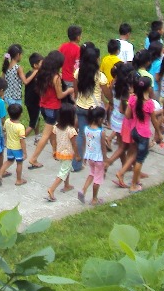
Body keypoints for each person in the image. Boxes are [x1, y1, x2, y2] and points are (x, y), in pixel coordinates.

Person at [26, 50, 68, 168]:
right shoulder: (56, 77)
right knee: (46, 134)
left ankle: (55, 151)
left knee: (51, 131)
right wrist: (69, 91)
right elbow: (59, 95)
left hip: (43, 106)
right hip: (53, 108)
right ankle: (33, 158)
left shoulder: (42, 74)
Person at [128, 75, 161, 193]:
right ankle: (133, 185)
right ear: (149, 88)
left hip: (134, 130)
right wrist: (159, 133)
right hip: (143, 134)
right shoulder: (149, 103)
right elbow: (154, 121)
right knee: (140, 160)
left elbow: (127, 115)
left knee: (137, 155)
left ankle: (136, 180)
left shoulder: (133, 99)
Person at [71, 43, 101, 172]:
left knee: (81, 135)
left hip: (80, 106)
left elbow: (76, 90)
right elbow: (106, 93)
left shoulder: (78, 72)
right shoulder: (99, 76)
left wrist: (76, 100)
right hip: (94, 110)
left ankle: (76, 164)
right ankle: (95, 162)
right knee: (96, 134)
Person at [45, 103, 79, 202]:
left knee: (66, 168)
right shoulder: (71, 130)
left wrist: (54, 150)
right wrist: (77, 155)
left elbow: (53, 139)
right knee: (63, 172)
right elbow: (74, 144)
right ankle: (51, 189)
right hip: (67, 154)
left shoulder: (56, 127)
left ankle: (66, 185)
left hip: (60, 152)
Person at [77, 105, 107, 206]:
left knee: (92, 174)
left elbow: (86, 143)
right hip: (99, 159)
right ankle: (94, 199)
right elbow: (103, 147)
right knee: (98, 179)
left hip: (90, 157)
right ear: (100, 119)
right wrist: (106, 159)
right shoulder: (101, 132)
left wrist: (85, 156)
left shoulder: (86, 129)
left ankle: (83, 190)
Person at [0, 103, 27, 185]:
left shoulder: (7, 121)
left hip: (9, 146)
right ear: (21, 115)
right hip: (17, 148)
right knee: (19, 163)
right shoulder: (20, 127)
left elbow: (4, 131)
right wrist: (24, 152)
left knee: (9, 161)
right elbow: (22, 141)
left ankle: (0, 173)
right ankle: (18, 180)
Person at [23, 51, 44, 137]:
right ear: (35, 65)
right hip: (34, 103)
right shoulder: (36, 76)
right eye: (41, 63)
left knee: (36, 119)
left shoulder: (29, 73)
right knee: (32, 124)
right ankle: (19, 140)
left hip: (29, 102)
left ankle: (37, 136)